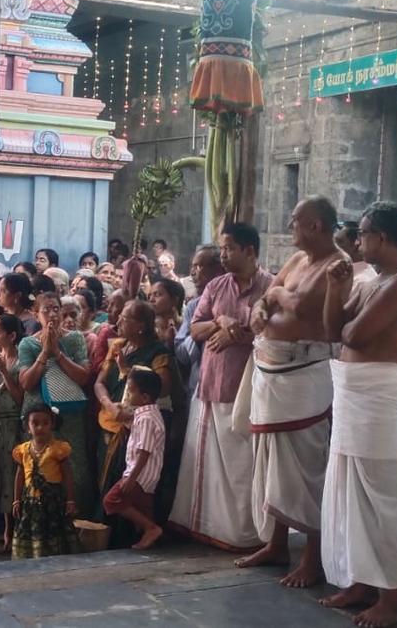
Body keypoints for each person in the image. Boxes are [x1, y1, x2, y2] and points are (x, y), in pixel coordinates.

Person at [319, 201, 397, 628]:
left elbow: (356, 335)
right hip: (356, 393)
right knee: (351, 493)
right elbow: (332, 331)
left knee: (383, 498)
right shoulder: (370, 279)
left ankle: (393, 600)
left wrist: (347, 314)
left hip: (382, 397)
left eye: (361, 234)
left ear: (381, 237)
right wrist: (334, 289)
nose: (356, 242)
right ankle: (362, 581)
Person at [235, 197, 345, 586]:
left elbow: (297, 303)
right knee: (271, 462)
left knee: (305, 466)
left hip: (305, 374)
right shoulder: (298, 260)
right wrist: (264, 308)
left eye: (296, 220)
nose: (289, 224)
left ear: (316, 226)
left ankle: (313, 558)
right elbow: (272, 294)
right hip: (271, 367)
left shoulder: (337, 265)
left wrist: (277, 298)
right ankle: (277, 543)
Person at [169, 222, 273, 551]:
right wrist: (220, 322)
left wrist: (240, 333)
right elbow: (195, 329)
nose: (224, 255)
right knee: (208, 466)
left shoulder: (270, 285)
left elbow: (277, 332)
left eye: (229, 248)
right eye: (222, 249)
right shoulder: (215, 287)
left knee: (243, 466)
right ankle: (207, 528)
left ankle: (244, 534)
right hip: (211, 385)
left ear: (250, 251)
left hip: (250, 390)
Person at [94, 300, 174, 545]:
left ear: (141, 326)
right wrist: (109, 405)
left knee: (130, 488)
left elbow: (162, 387)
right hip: (110, 421)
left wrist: (129, 371)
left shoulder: (158, 353)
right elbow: (100, 382)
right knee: (105, 480)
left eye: (126, 317)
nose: (118, 320)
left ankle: (133, 535)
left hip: (138, 427)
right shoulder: (118, 346)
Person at [19, 292, 95, 518]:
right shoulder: (28, 344)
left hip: (69, 414)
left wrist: (58, 353)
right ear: (36, 314)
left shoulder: (74, 339)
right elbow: (26, 382)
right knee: (39, 468)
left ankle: (74, 521)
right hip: (38, 417)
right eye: (46, 310)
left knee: (74, 468)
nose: (52, 314)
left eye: (56, 309)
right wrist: (44, 352)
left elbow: (83, 377)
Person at [103, 367, 167, 550]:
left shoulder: (147, 418)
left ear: (145, 397)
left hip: (139, 475)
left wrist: (131, 478)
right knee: (144, 508)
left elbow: (144, 451)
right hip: (147, 475)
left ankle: (151, 529)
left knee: (111, 500)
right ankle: (151, 535)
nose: (128, 396)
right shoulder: (148, 414)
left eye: (130, 392)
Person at [12, 404, 82, 559]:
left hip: (52, 501)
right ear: (27, 427)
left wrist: (70, 500)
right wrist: (16, 500)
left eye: (45, 423)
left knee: (53, 529)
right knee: (30, 529)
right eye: (35, 423)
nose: (40, 427)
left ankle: (55, 559)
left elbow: (67, 475)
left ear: (52, 425)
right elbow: (20, 476)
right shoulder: (23, 450)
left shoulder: (58, 449)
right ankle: (32, 557)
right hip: (30, 501)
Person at [0, 314, 26, 552]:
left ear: (11, 336)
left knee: (13, 474)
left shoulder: (20, 362)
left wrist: (3, 371)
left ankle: (11, 529)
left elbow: (20, 397)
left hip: (14, 424)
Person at [176, 245, 224, 395]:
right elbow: (181, 352)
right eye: (193, 266)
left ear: (219, 269)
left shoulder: (235, 301)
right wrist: (203, 333)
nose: (192, 273)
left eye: (199, 266)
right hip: (199, 386)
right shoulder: (193, 306)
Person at [335, 221, 378, 287]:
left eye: (338, 242)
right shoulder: (341, 271)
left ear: (357, 244)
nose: (333, 246)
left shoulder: (362, 281)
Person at [150, 278, 185, 346]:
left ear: (174, 299)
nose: (151, 300)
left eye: (157, 294)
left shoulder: (186, 328)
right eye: (149, 296)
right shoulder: (149, 328)